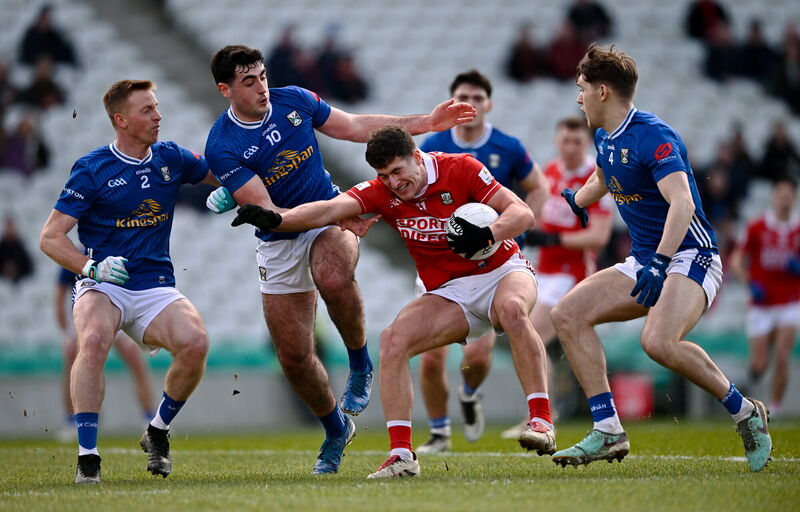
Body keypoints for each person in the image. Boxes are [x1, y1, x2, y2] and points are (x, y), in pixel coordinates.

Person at [203, 45, 476, 475]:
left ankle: (359, 362)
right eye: (248, 81)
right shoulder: (222, 145)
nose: (262, 87)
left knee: (332, 276)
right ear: (225, 90)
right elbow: (272, 214)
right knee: (293, 357)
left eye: (262, 75)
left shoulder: (293, 99)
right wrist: (252, 204)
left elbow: (354, 127)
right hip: (279, 237)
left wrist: (426, 122)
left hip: (329, 212)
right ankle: (335, 429)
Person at [227, 125, 556, 479]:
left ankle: (541, 421)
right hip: (449, 291)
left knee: (511, 311)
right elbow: (328, 209)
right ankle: (401, 455)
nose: (393, 182)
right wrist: (278, 218)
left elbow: (522, 213)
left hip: (501, 271)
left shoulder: (462, 168)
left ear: (416, 157)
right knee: (393, 340)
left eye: (397, 171)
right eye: (383, 175)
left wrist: (488, 234)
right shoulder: (382, 192)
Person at [549, 44, 772, 472]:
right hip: (647, 259)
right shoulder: (604, 135)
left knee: (657, 341)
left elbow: (683, 203)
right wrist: (578, 200)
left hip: (691, 256)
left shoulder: (655, 136)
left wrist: (659, 262)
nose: (576, 98)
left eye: (580, 89)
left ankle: (746, 413)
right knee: (567, 315)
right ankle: (608, 429)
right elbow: (604, 174)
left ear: (601, 91)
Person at [39, 79, 216, 484]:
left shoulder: (171, 157)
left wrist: (230, 192)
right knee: (94, 340)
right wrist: (91, 268)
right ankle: (88, 458)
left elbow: (224, 174)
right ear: (121, 120)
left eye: (157, 107)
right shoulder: (92, 169)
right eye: (147, 110)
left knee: (196, 343)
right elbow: (50, 237)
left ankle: (156, 430)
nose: (158, 116)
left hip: (154, 284)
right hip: (104, 284)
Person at [413, 69, 548, 453]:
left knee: (476, 355)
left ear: (488, 104)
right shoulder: (434, 144)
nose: (468, 103)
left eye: (475, 97)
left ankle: (469, 395)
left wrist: (516, 231)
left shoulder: (507, 146)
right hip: (440, 263)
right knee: (430, 357)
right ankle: (439, 434)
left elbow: (538, 187)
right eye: (461, 97)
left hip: (490, 265)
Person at [501, 116, 614, 439]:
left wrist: (555, 240)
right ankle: (543, 413)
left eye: (576, 142)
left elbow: (600, 235)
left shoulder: (597, 177)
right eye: (565, 140)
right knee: (529, 335)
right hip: (544, 272)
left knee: (529, 333)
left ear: (586, 145)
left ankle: (540, 416)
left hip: (573, 273)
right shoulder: (550, 172)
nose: (570, 147)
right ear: (556, 142)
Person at [54, 266, 156, 442]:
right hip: (88, 312)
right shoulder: (78, 254)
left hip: (117, 310)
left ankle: (149, 419)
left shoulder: (115, 247)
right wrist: (67, 330)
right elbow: (60, 291)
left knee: (135, 358)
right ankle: (74, 422)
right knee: (75, 358)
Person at [729, 177, 800, 417]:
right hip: (761, 304)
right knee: (760, 364)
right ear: (774, 196)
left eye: (789, 193)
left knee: (782, 356)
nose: (785, 198)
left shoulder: (798, 230)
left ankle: (775, 409)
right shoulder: (757, 227)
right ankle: (748, 384)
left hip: (789, 302)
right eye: (781, 193)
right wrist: (749, 282)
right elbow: (737, 259)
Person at [0, 215, 34, 285]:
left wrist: (16, 271)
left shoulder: (21, 247)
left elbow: (29, 268)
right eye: (8, 226)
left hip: (20, 282)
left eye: (11, 226)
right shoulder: (2, 247)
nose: (10, 229)